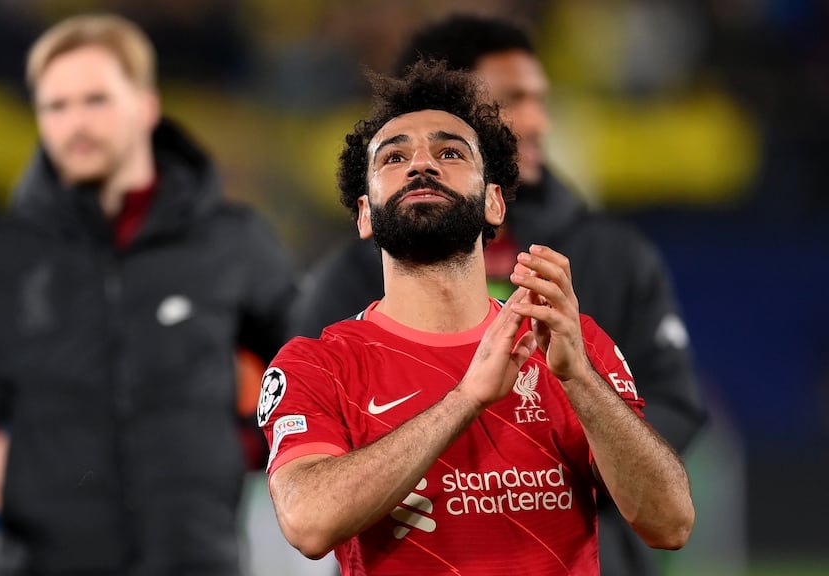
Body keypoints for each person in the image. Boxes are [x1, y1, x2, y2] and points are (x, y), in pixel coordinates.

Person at [0, 13, 296, 576]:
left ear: (144, 107)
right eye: (56, 106)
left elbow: (321, 374)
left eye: (96, 100)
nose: (77, 125)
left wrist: (240, 447)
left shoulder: (232, 246)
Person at [289, 15, 707, 575]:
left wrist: (580, 378)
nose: (421, 164)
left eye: (451, 152)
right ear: (364, 214)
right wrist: (467, 399)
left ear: (494, 203)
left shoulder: (570, 346)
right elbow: (308, 523)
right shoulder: (318, 364)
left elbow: (671, 522)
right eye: (393, 157)